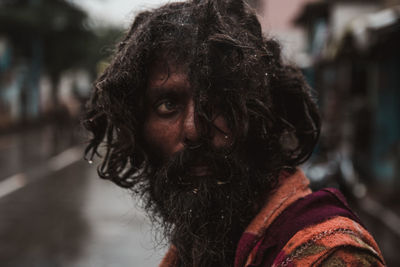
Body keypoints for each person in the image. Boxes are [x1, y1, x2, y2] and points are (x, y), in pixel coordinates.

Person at [83, 0, 386, 266]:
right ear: (138, 125)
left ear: (264, 112)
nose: (194, 128)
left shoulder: (329, 258)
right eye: (167, 105)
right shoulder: (204, 242)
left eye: (219, 101)